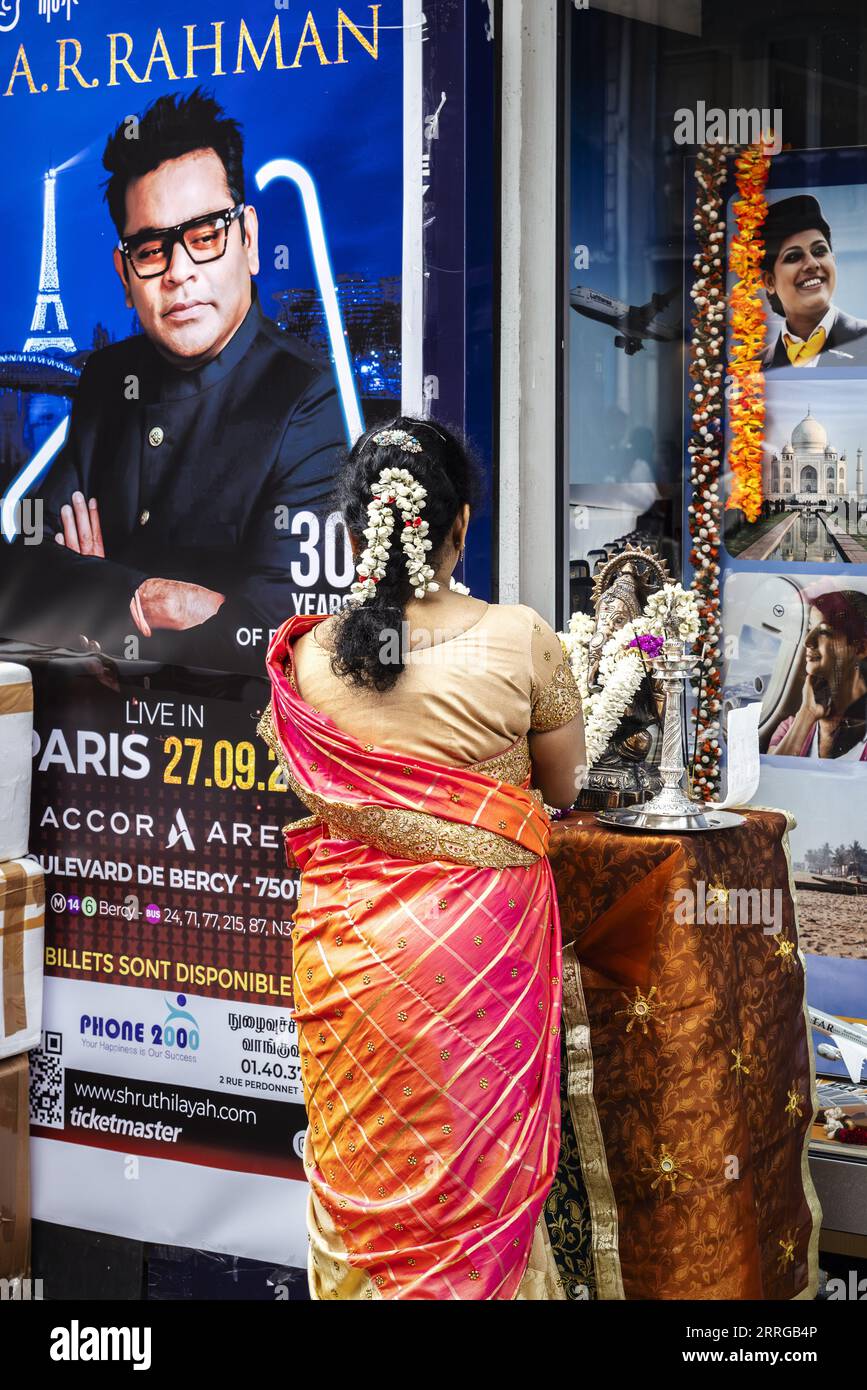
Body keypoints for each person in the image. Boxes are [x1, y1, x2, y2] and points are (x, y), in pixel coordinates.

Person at [259, 417, 587, 1300]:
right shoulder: (519, 637)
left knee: (365, 1150)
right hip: (478, 952)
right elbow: (562, 785)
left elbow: (299, 775)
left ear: (357, 532)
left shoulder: (307, 657)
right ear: (461, 524)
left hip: (351, 952)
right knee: (476, 1156)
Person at [0, 89, 345, 673]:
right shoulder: (107, 381)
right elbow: (13, 580)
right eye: (152, 248)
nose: (180, 271)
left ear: (250, 241)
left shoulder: (309, 399)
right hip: (97, 749)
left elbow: (281, 643)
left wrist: (89, 598)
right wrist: (137, 599)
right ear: (124, 273)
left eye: (206, 235)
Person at [760, 194, 867, 369]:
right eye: (793, 256)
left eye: (819, 251)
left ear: (833, 260)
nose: (812, 264)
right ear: (770, 281)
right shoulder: (754, 368)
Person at [768, 588, 867, 758]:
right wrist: (806, 714)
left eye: (824, 631)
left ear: (861, 648)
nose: (807, 641)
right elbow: (771, 778)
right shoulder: (789, 726)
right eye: (809, 628)